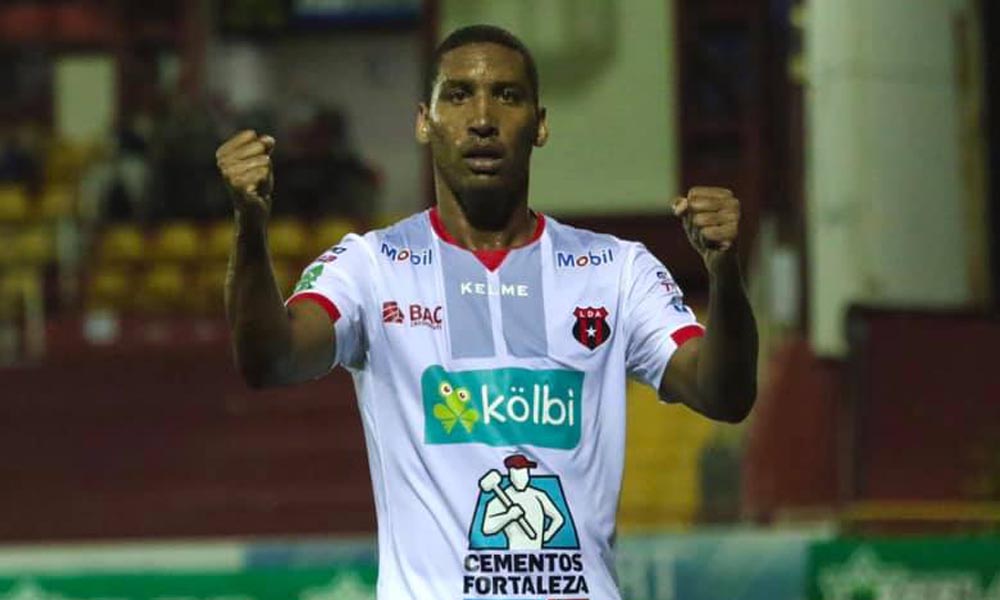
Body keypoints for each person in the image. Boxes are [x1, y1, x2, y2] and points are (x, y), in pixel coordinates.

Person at [216, 24, 757, 600]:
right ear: (424, 121)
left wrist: (723, 272)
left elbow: (724, 394)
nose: (482, 118)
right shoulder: (371, 268)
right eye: (458, 95)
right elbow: (269, 360)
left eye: (506, 95)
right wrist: (250, 226)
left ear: (540, 124)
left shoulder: (615, 271)